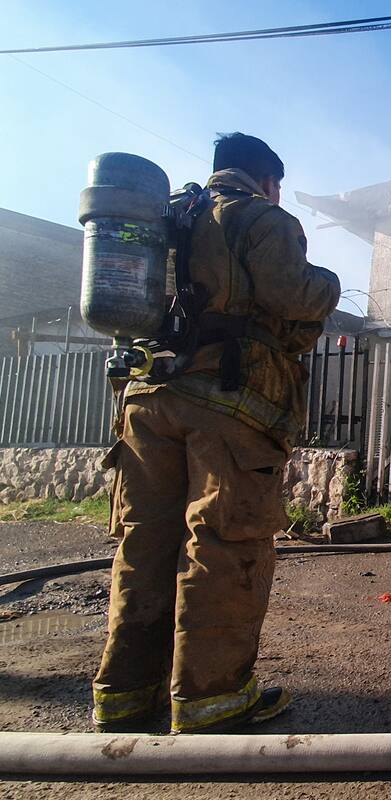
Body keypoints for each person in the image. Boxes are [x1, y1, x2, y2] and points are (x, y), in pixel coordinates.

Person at [92, 133, 341, 733]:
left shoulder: (169, 220)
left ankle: (124, 695)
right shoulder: (260, 217)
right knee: (223, 544)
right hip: (226, 405)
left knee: (144, 543)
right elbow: (292, 293)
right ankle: (212, 698)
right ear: (268, 180)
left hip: (148, 400)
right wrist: (329, 283)